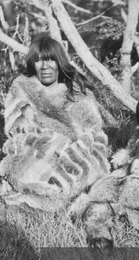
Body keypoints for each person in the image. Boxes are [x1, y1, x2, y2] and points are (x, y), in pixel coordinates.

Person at [0, 36, 110, 211]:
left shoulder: (75, 87)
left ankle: (51, 196)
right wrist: (45, 137)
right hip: (41, 145)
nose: (45, 67)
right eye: (39, 61)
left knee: (82, 172)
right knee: (24, 170)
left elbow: (93, 127)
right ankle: (39, 196)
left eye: (51, 60)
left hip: (76, 146)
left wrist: (77, 148)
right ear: (32, 63)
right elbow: (17, 128)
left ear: (59, 61)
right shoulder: (23, 86)